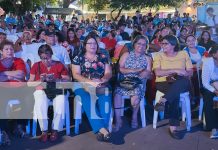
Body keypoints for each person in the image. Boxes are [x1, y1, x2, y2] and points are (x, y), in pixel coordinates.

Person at [72, 35, 112, 142]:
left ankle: (101, 131)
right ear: (85, 45)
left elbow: (108, 73)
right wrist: (90, 82)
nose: (93, 45)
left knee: (106, 95)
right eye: (90, 43)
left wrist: (102, 80)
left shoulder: (103, 57)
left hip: (100, 84)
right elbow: (76, 75)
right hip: (82, 84)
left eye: (95, 43)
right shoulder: (78, 58)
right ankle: (103, 129)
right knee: (87, 98)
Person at [153, 35, 193, 139]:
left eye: (166, 43)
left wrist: (182, 73)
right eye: (162, 43)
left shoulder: (183, 54)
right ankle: (173, 127)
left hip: (181, 81)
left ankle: (163, 100)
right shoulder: (159, 55)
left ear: (173, 44)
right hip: (163, 82)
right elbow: (158, 72)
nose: (163, 45)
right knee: (175, 93)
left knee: (181, 83)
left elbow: (190, 71)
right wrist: (175, 70)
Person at [28, 44, 70, 142]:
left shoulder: (58, 64)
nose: (46, 61)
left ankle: (55, 129)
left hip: (57, 89)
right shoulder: (36, 65)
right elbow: (29, 83)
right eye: (43, 58)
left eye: (48, 58)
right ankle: (44, 130)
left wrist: (56, 79)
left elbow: (68, 80)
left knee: (61, 100)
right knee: (40, 100)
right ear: (40, 57)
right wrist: (40, 80)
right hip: (42, 89)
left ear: (51, 55)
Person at [113, 35, 152, 132]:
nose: (141, 46)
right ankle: (118, 120)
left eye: (144, 44)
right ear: (134, 44)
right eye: (139, 43)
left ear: (146, 46)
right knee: (117, 94)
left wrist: (145, 74)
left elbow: (148, 73)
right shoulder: (126, 54)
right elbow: (120, 69)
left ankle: (134, 116)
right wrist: (135, 70)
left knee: (134, 100)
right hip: (125, 81)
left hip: (138, 82)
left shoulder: (147, 58)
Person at [0, 40, 33, 145]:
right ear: (1, 51)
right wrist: (11, 75)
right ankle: (3, 130)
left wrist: (5, 75)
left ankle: (19, 125)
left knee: (29, 96)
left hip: (19, 88)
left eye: (11, 49)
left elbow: (20, 75)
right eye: (6, 49)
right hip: (3, 89)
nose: (10, 51)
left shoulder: (18, 60)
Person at [201, 44, 218, 139]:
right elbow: (205, 83)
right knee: (209, 96)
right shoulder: (208, 62)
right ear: (214, 54)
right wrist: (214, 90)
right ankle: (214, 127)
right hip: (209, 86)